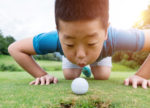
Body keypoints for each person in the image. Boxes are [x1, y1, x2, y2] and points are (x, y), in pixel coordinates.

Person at [8, 0, 150, 89]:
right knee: (70, 75)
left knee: (102, 75)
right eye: (69, 44)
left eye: (91, 42)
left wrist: (141, 76)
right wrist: (41, 74)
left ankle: (89, 58)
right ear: (59, 33)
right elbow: (15, 49)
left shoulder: (116, 37)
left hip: (103, 52)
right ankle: (84, 64)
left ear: (105, 31)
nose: (81, 55)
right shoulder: (54, 38)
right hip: (72, 56)